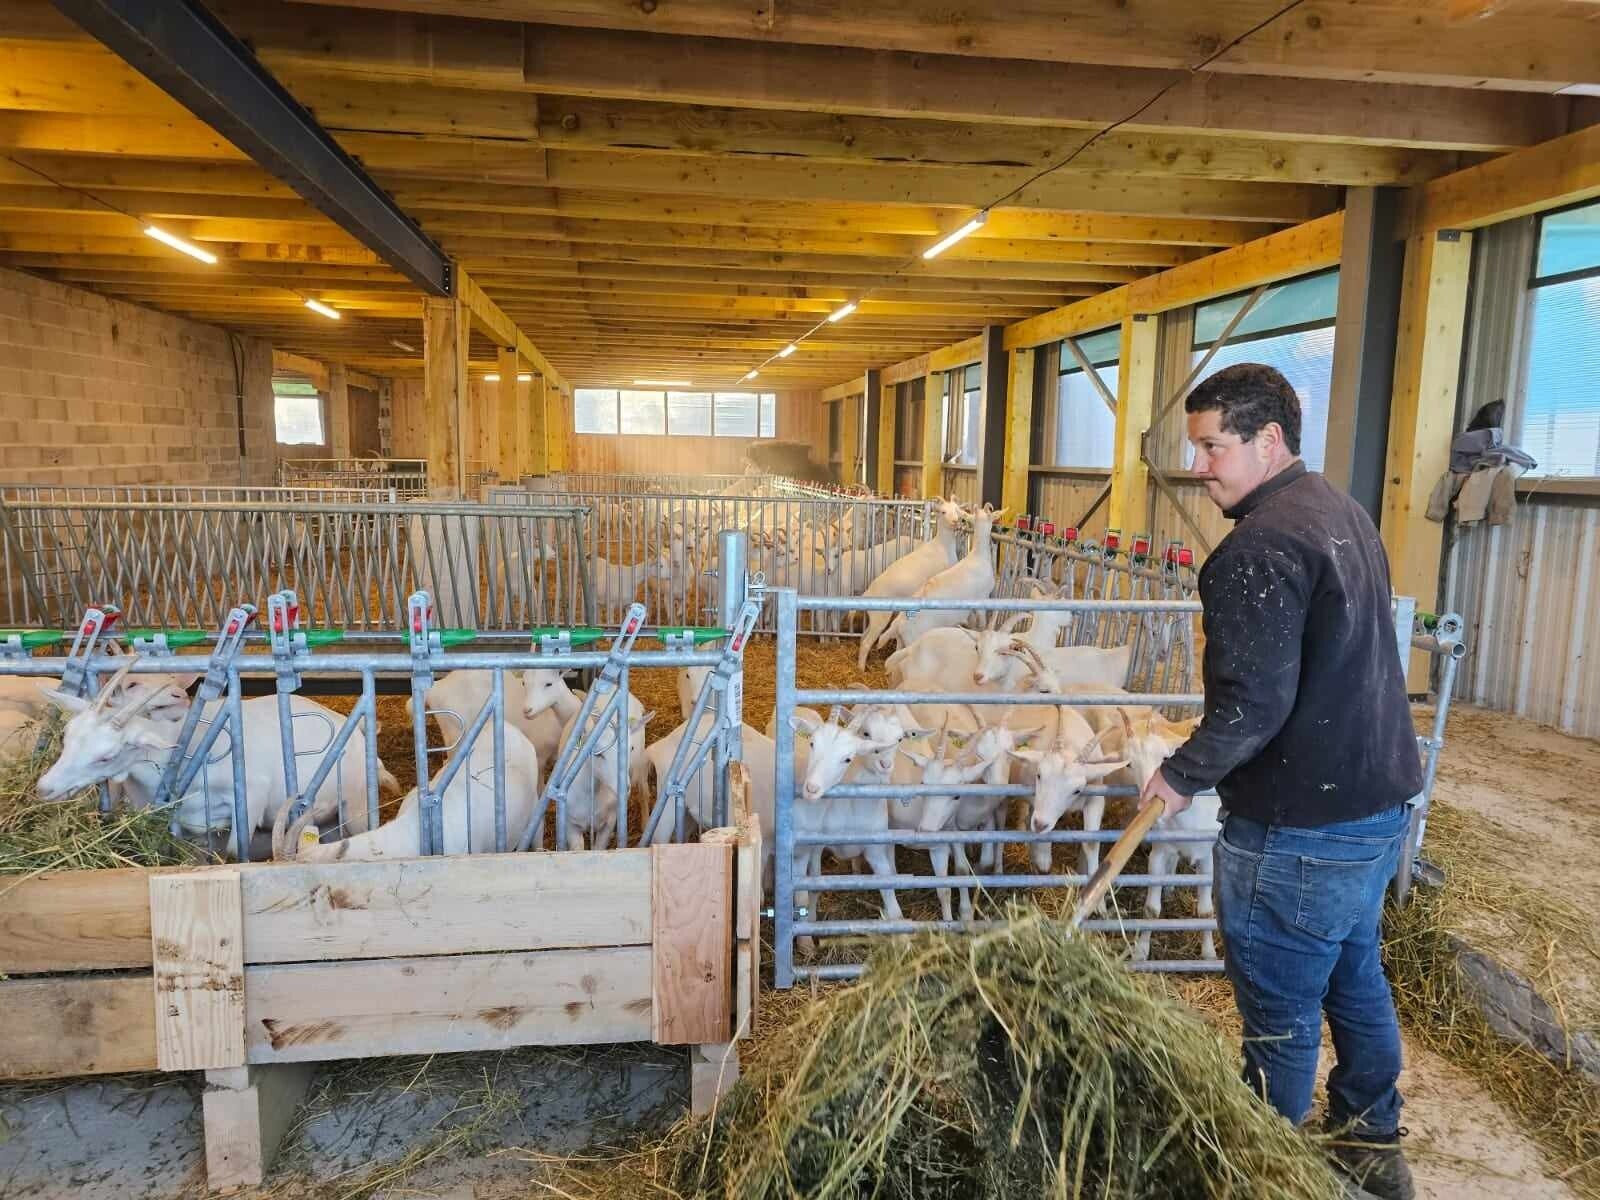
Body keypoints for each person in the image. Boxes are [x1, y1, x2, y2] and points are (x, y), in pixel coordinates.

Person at [1139, 363, 1423, 1200]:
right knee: (1354, 975)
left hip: (1300, 826)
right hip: (1375, 805)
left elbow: (1251, 706)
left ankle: (1261, 1171)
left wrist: (1180, 773)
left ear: (1268, 440)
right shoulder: (1338, 509)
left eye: (1211, 446)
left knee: (1279, 1015)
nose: (1199, 465)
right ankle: (1371, 1144)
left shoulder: (1255, 549)